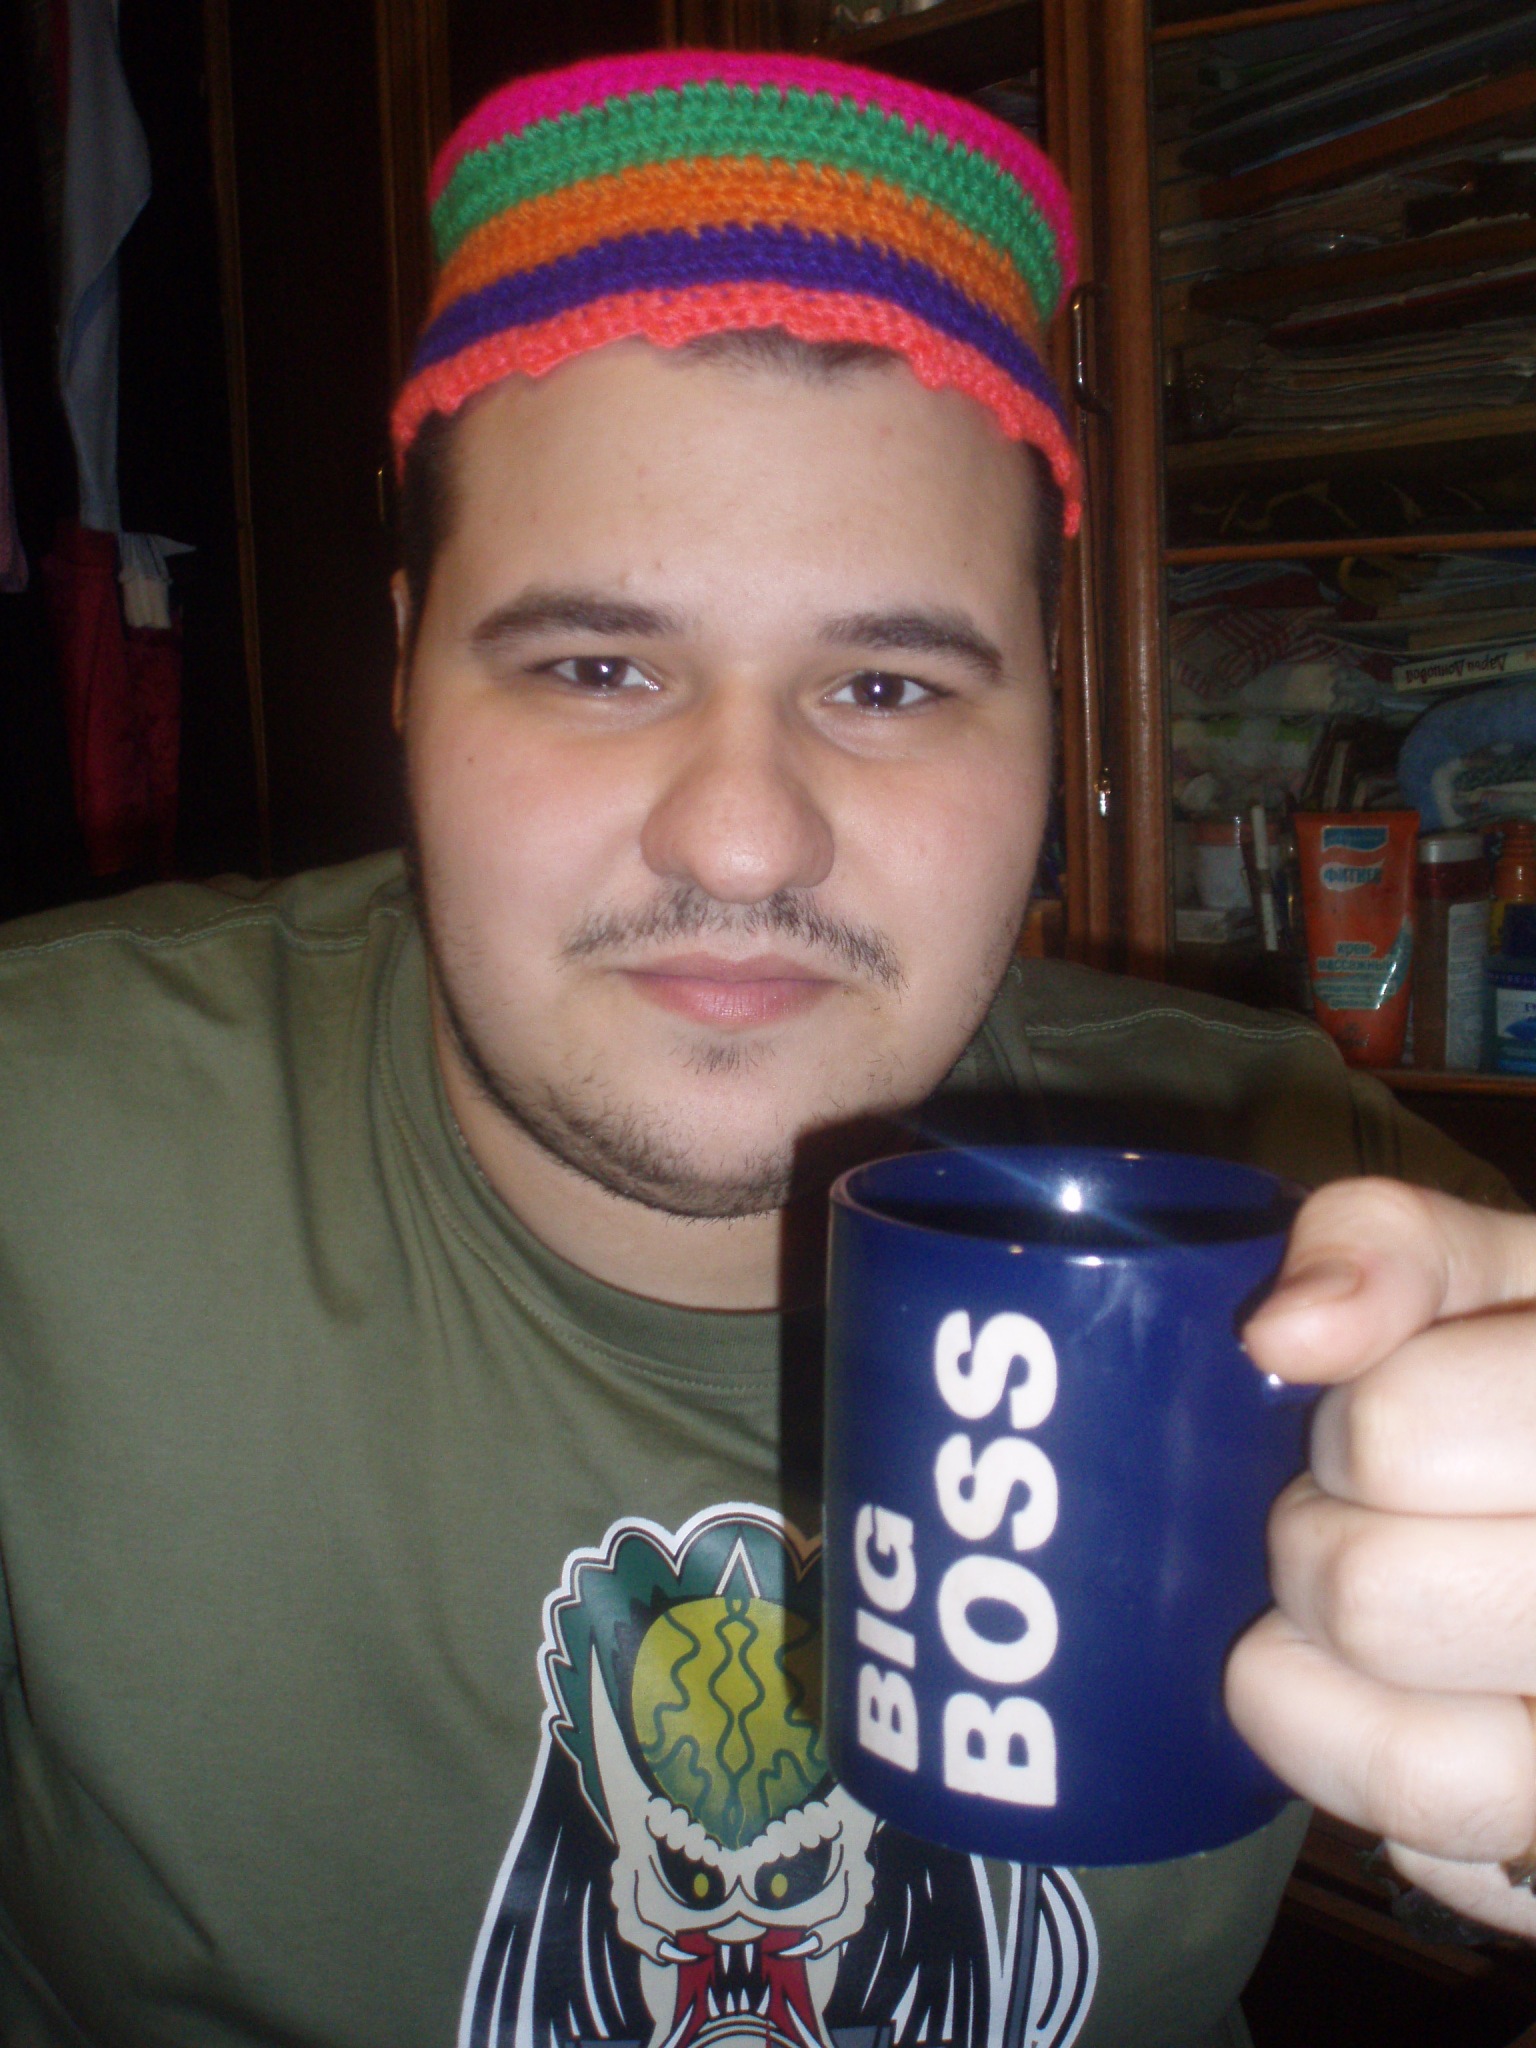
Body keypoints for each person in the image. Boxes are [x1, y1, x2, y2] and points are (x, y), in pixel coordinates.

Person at [0, 47, 1531, 2048]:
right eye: (598, 664)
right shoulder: (41, 1149)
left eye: (885, 684)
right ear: (403, 667)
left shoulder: (1314, 1196)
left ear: (1056, 721)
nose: (739, 839)